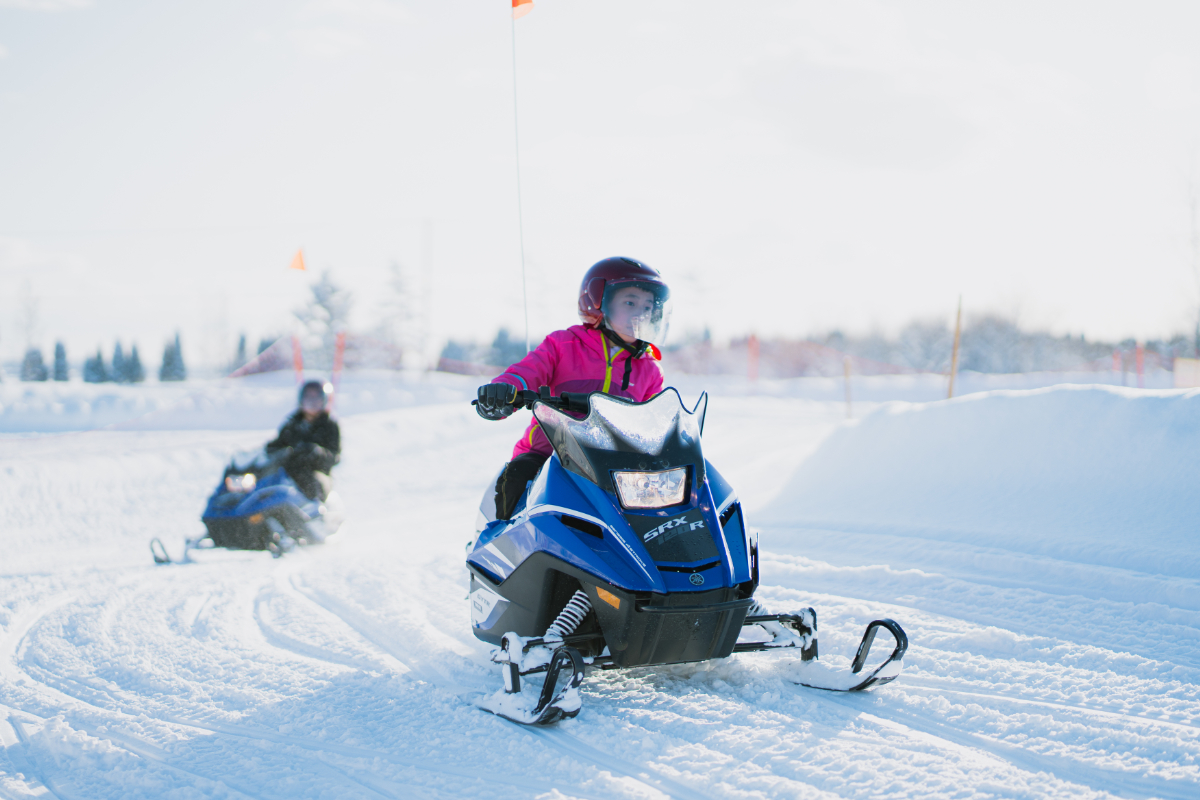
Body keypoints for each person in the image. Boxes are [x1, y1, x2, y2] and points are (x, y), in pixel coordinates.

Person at [476, 256, 671, 520]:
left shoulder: (649, 369)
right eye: (630, 302)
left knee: (662, 500)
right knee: (517, 476)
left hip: (616, 465)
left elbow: (656, 420)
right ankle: (505, 540)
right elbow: (526, 372)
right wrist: (503, 391)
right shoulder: (564, 344)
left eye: (648, 306)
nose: (641, 312)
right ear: (598, 303)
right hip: (550, 452)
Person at [266, 379, 341, 501]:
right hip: (289, 472)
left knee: (313, 485)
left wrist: (316, 452)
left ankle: (316, 515)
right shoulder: (292, 423)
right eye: (308, 398)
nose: (312, 402)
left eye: (316, 398)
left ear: (323, 400)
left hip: (316, 472)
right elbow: (276, 445)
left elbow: (335, 456)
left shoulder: (329, 425)